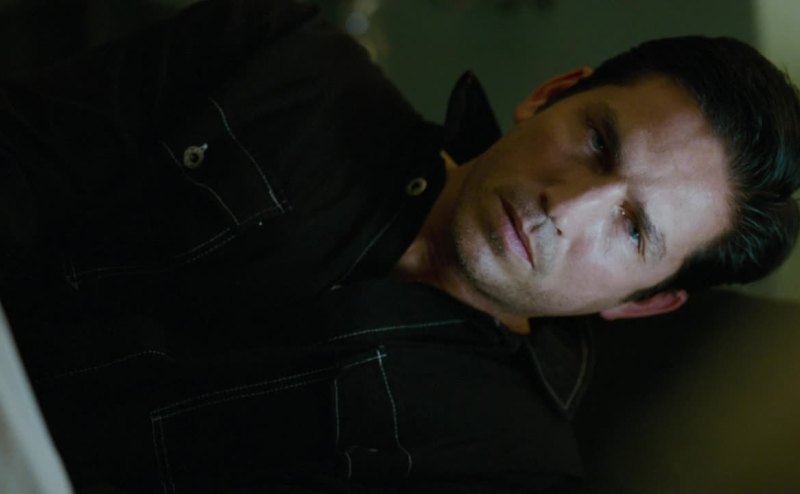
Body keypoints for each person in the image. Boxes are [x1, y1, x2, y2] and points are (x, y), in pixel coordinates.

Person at [1, 0, 798, 492]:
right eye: (597, 142)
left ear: (644, 301)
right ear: (552, 94)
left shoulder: (501, 469)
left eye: (633, 229)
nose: (567, 206)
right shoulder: (284, 57)